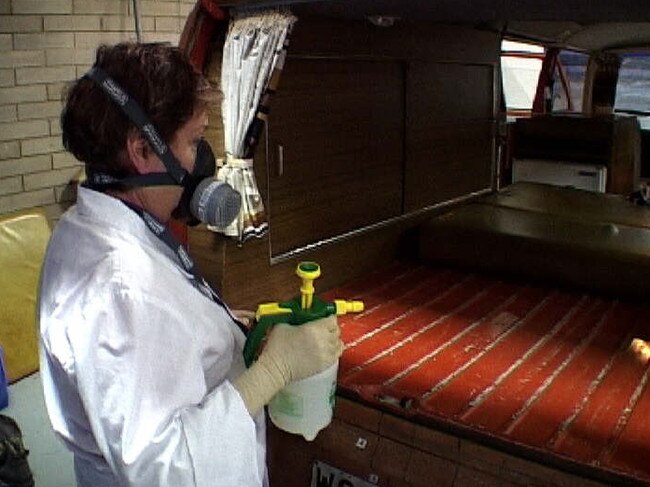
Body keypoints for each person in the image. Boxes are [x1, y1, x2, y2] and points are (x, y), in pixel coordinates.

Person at [38, 42, 342, 487]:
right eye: (194, 141)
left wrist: (227, 328)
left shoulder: (94, 227)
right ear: (143, 150)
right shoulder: (118, 285)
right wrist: (272, 373)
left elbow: (157, 329)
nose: (201, 161)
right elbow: (167, 470)